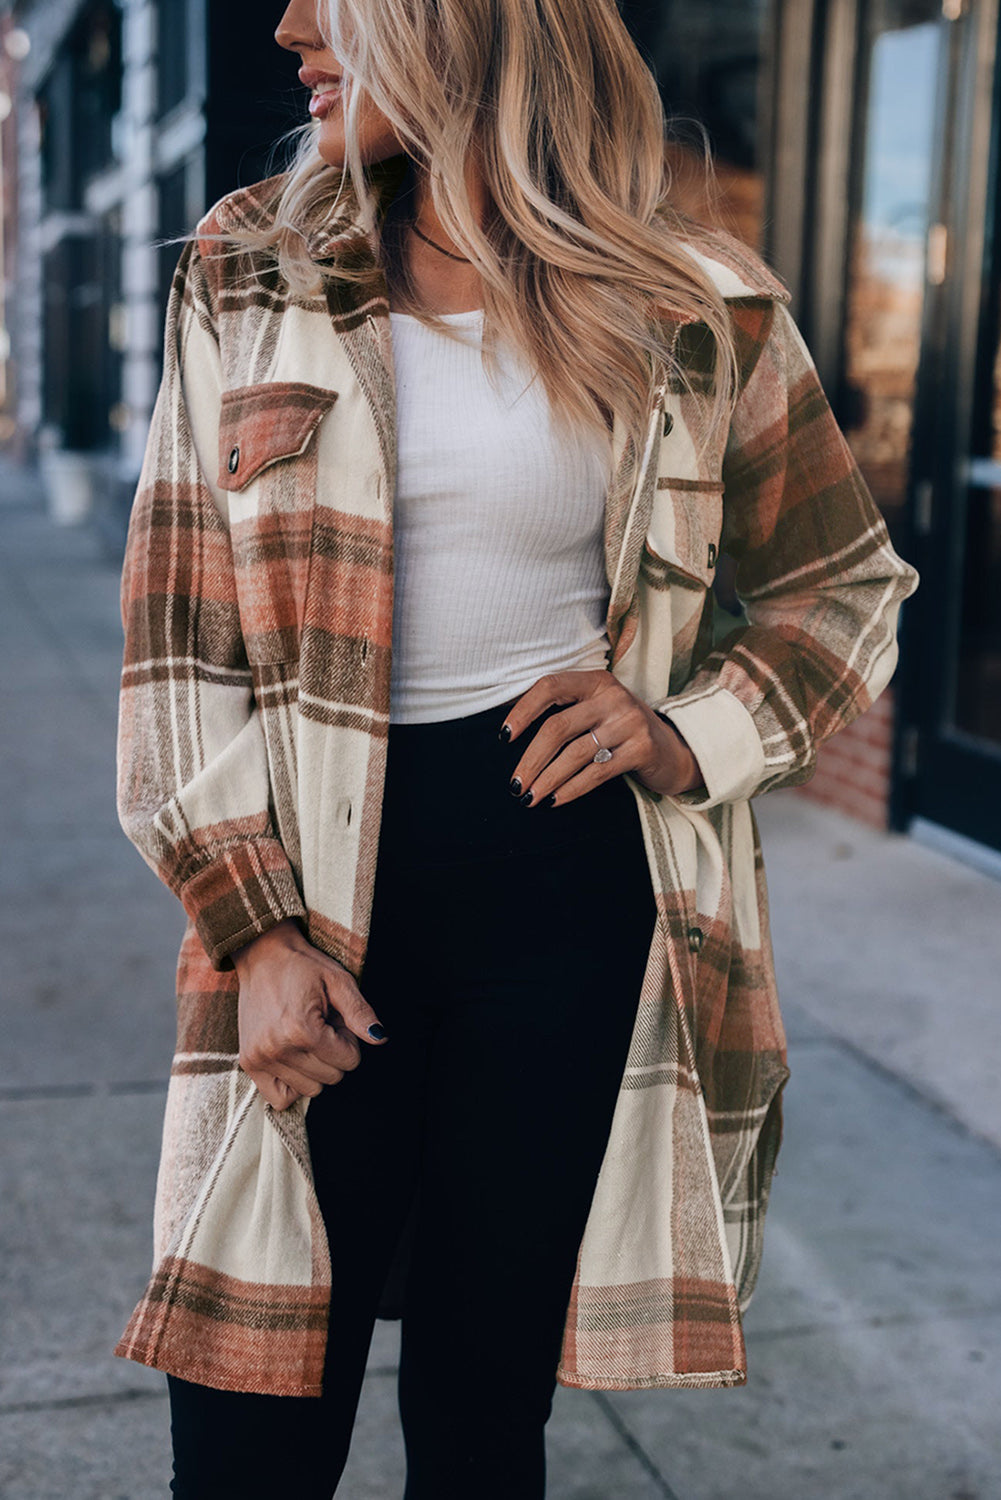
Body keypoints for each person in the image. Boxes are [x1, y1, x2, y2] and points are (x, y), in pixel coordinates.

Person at [113, 1, 919, 1495]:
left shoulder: (693, 301)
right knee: (246, 1432)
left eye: (334, 0)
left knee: (484, 1420)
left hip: (567, 904)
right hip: (312, 915)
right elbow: (180, 635)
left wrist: (687, 733)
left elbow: (843, 587)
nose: (290, 24)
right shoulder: (250, 263)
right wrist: (253, 932)